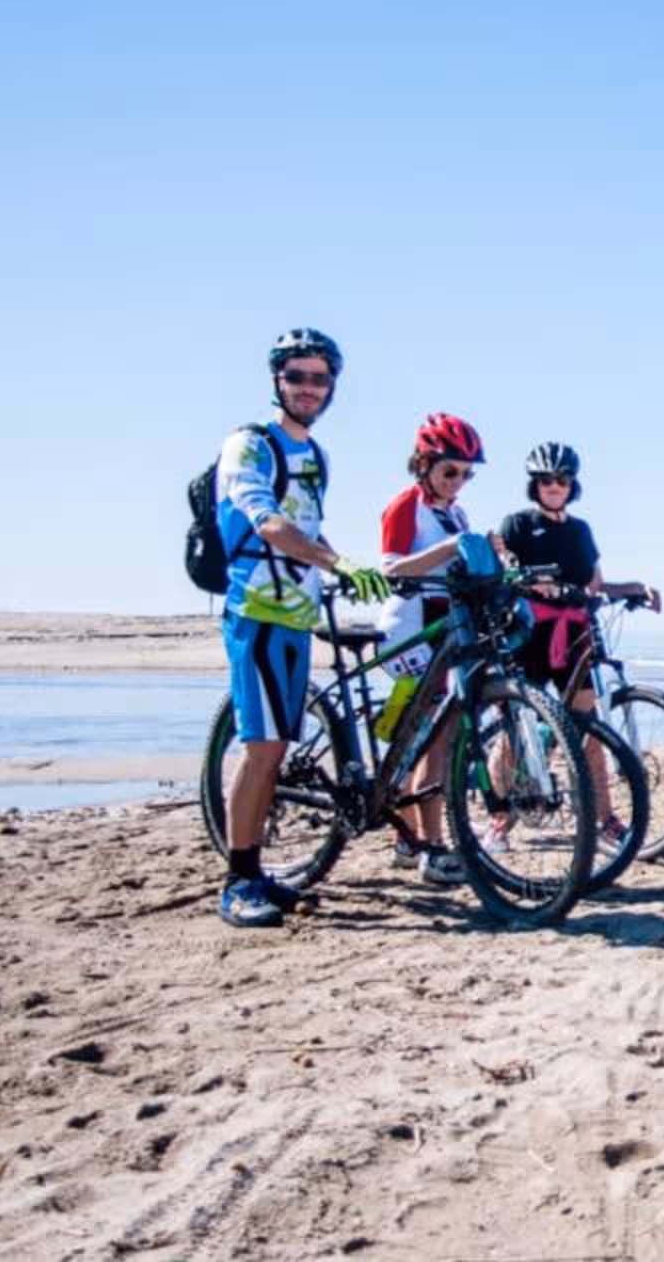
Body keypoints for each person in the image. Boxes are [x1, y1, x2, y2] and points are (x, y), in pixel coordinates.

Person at [216, 328, 387, 927]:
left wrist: (348, 567)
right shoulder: (250, 445)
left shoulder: (315, 456)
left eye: (320, 378)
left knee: (280, 746)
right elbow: (268, 525)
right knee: (261, 748)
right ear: (276, 381)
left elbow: (309, 531)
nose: (309, 388)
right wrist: (336, 562)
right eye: (298, 377)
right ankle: (238, 881)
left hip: (297, 616)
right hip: (256, 613)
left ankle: (261, 873)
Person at [497, 442, 660, 843]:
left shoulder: (579, 530)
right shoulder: (516, 524)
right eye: (546, 480)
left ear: (573, 485)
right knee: (515, 730)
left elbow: (595, 585)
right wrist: (532, 582)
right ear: (534, 485)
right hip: (528, 636)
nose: (554, 486)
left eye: (562, 480)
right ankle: (500, 819)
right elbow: (505, 572)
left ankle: (605, 819)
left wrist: (638, 587)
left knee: (589, 731)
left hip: (574, 636)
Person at [374, 413, 488, 885]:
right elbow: (392, 570)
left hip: (448, 625)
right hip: (411, 627)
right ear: (423, 465)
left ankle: (406, 835)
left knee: (432, 734)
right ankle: (430, 846)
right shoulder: (406, 505)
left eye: (466, 474)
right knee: (430, 736)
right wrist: (450, 550)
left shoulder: (454, 512)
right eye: (449, 472)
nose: (458, 482)